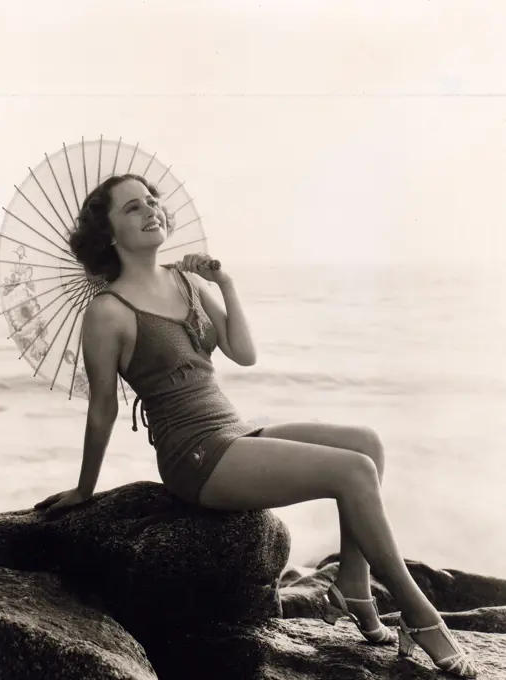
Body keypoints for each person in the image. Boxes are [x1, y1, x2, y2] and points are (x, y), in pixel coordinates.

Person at [35, 173, 477, 678]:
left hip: (233, 431)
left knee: (367, 444)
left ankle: (353, 581)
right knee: (353, 472)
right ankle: (420, 613)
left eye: (152, 201)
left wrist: (224, 283)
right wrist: (85, 489)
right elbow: (104, 408)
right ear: (108, 233)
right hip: (195, 456)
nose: (151, 210)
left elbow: (243, 354)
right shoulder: (107, 312)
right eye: (133, 208)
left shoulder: (188, 281)